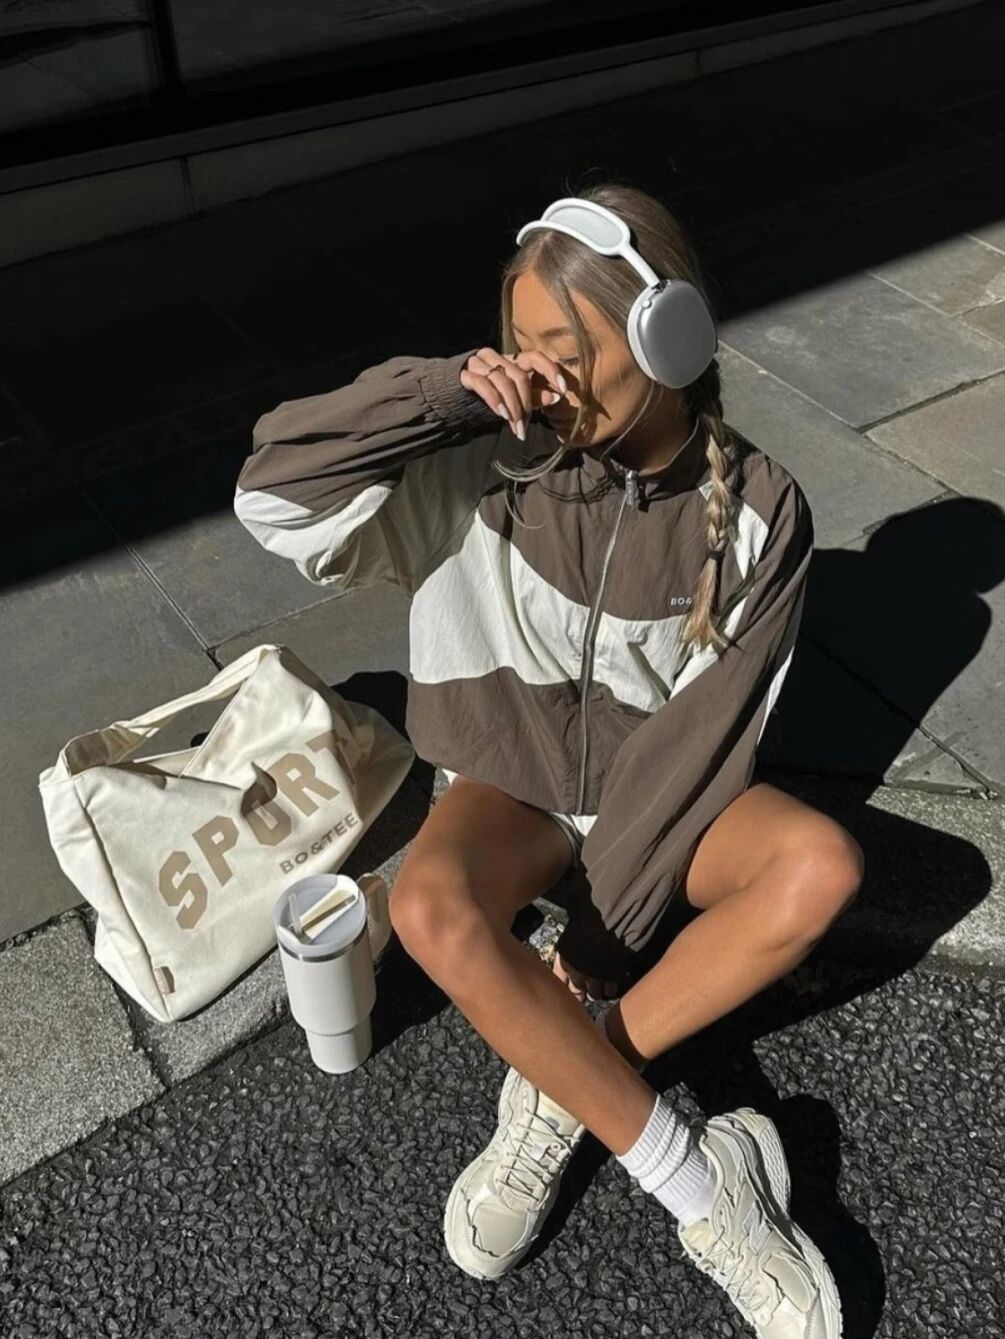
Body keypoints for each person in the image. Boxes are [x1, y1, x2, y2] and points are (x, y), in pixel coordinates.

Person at [234, 181, 863, 1337]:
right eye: (523, 347)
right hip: (511, 786)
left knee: (818, 867)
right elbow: (272, 495)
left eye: (566, 354)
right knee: (427, 905)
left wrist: (590, 961)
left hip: (659, 813)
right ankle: (702, 1186)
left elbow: (694, 756)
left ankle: (561, 1082)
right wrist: (443, 394)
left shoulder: (761, 512)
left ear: (667, 337)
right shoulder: (478, 462)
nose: (541, 380)